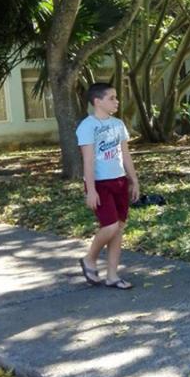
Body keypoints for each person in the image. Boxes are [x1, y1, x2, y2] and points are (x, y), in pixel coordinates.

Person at [77, 82, 140, 289]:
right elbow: (88, 161)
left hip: (120, 180)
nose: (117, 101)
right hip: (100, 184)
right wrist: (91, 189)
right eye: (111, 98)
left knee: (119, 228)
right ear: (97, 101)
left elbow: (126, 155)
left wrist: (133, 180)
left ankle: (112, 275)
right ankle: (89, 259)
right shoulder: (87, 126)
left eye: (116, 97)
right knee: (110, 226)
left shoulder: (118, 124)